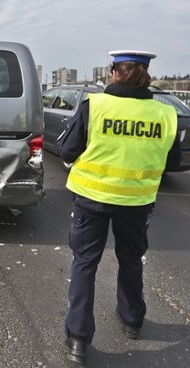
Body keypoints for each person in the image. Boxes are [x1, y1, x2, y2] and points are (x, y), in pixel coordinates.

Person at [56, 50, 181, 365]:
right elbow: (174, 162)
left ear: (113, 72)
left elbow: (67, 148)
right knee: (131, 260)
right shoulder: (165, 114)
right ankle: (132, 320)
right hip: (136, 202)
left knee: (85, 262)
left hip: (91, 199)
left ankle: (78, 339)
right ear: (145, 75)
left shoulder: (95, 106)